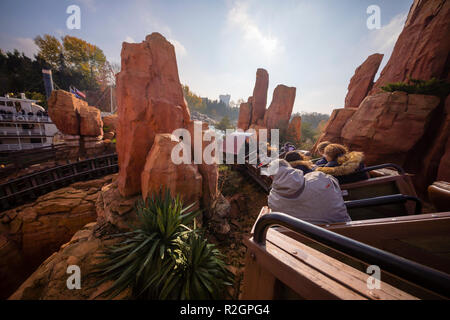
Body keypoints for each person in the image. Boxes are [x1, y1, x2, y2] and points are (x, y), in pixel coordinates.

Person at [267, 159, 351, 225]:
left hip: (303, 242)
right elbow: (336, 188)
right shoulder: (319, 177)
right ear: (290, 167)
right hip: (345, 235)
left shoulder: (272, 199)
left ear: (271, 177)